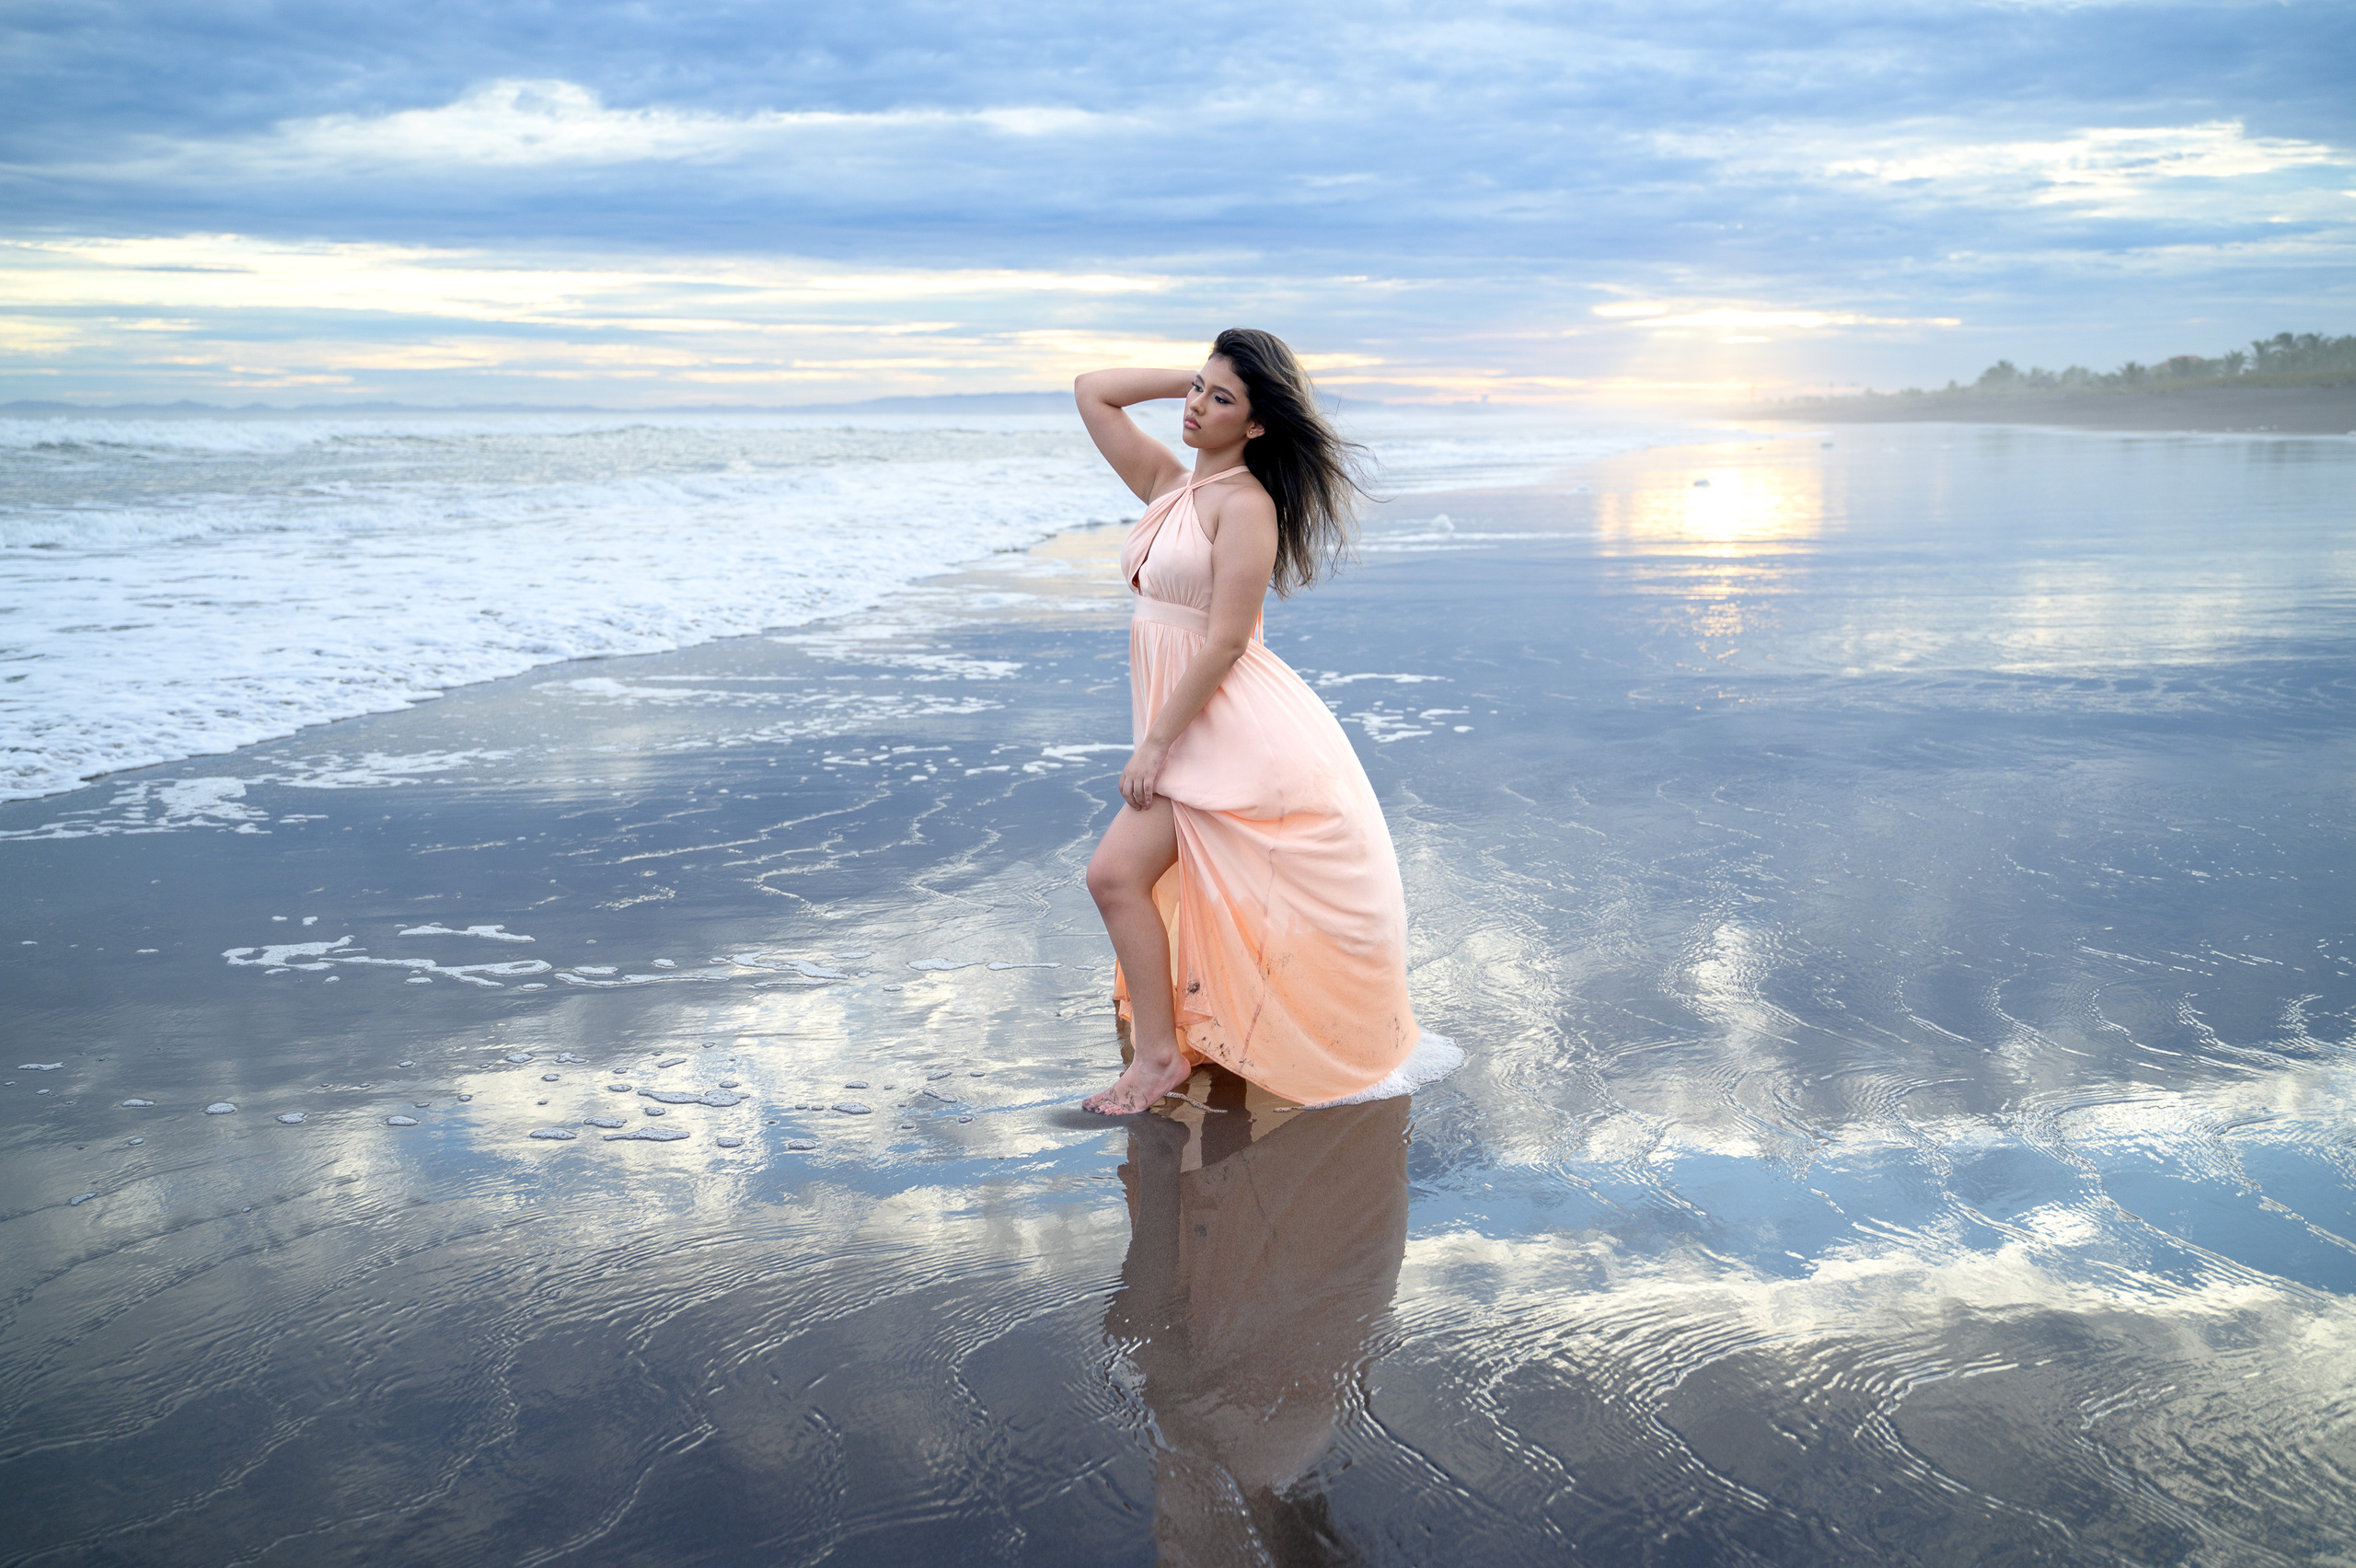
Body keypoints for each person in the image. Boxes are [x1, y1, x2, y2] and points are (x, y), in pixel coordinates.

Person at [1073, 328, 1458, 1115]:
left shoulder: (1247, 506)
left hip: (1226, 728)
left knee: (1115, 877)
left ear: (1256, 424)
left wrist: (1155, 744)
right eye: (1196, 391)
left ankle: (1159, 1061)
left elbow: (1222, 642)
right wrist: (1205, 371)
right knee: (1148, 884)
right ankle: (1182, 1044)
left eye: (1221, 400)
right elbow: (1092, 389)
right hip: (1188, 727)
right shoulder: (1169, 486)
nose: (1195, 407)